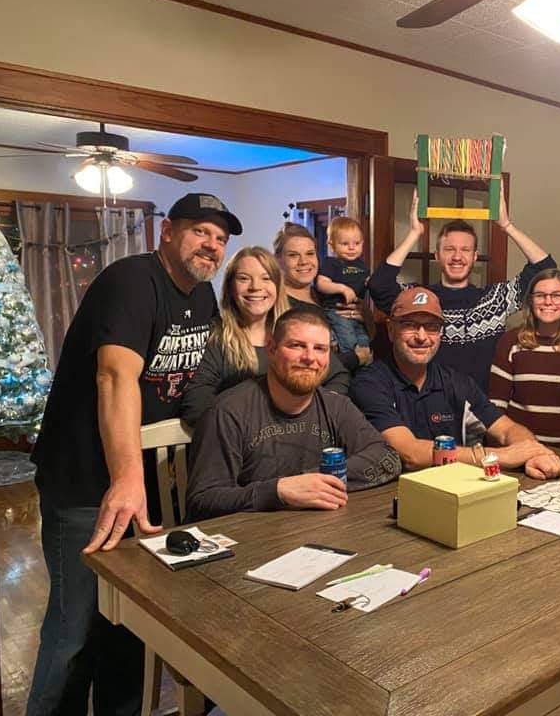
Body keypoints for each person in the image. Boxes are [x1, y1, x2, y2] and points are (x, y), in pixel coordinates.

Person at [26, 193, 237, 715]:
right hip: (85, 479)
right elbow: (114, 376)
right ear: (167, 232)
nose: (211, 245)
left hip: (144, 484)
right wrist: (125, 477)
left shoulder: (203, 297)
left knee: (129, 626)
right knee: (74, 629)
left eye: (219, 238)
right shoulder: (131, 281)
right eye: (199, 231)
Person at [185, 306, 401, 522]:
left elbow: (387, 458)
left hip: (319, 528)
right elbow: (201, 501)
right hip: (251, 535)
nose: (310, 357)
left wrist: (315, 481)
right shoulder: (227, 412)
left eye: (320, 349)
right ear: (271, 349)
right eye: (297, 345)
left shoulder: (336, 406)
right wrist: (279, 491)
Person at [350, 286, 560, 478]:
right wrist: (499, 456)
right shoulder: (369, 384)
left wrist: (533, 453)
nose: (422, 336)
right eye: (410, 325)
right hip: (389, 498)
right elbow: (410, 454)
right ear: (391, 330)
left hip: (455, 491)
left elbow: (507, 429)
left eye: (431, 327)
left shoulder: (457, 382)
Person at [368, 189, 556, 392]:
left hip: (482, 405)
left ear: (475, 257)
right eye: (449, 249)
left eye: (465, 250)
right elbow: (379, 285)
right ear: (437, 256)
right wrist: (415, 233)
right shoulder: (418, 300)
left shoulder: (495, 299)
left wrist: (507, 226)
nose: (457, 257)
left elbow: (545, 269)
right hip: (429, 403)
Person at [180, 246, 349, 427]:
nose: (255, 287)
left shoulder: (295, 329)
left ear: (278, 286)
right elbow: (196, 405)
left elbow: (338, 376)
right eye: (244, 278)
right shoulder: (215, 337)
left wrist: (315, 414)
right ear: (230, 287)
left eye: (266, 278)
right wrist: (248, 428)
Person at [489, 268, 560, 453]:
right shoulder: (510, 341)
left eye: (557, 295)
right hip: (517, 450)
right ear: (531, 300)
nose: (548, 301)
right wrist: (510, 450)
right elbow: (496, 405)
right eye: (540, 295)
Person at [273, 222, 370, 371]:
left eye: (310, 253)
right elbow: (299, 364)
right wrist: (356, 358)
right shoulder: (278, 304)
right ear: (278, 260)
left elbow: (370, 339)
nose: (304, 261)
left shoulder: (326, 295)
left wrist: (366, 316)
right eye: (293, 255)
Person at [316, 216, 371, 359]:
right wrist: (342, 288)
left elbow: (368, 281)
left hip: (357, 311)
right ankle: (351, 361)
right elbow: (321, 283)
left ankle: (365, 362)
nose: (352, 248)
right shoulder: (331, 263)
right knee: (348, 340)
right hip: (337, 311)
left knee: (364, 339)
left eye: (357, 243)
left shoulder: (362, 265)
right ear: (331, 245)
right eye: (345, 243)